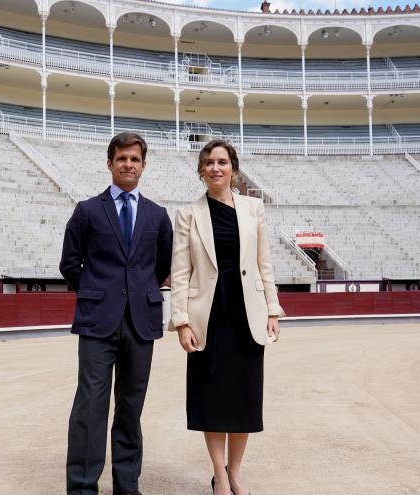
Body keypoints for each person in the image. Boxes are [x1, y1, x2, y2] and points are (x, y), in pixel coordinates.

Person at [60, 132, 173, 495]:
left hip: (140, 320)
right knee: (90, 406)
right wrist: (98, 292)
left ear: (143, 166)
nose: (128, 164)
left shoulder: (158, 215)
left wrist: (136, 293)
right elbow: (70, 263)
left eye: (135, 159)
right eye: (122, 158)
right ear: (110, 163)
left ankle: (127, 486)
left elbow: (161, 266)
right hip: (97, 321)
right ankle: (82, 487)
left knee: (130, 406)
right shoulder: (87, 210)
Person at [168, 139, 283, 495]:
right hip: (209, 318)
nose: (215, 167)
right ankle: (219, 473)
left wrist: (273, 309)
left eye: (222, 161)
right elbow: (181, 271)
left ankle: (235, 472)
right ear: (201, 171)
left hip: (247, 314)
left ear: (233, 168)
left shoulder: (253, 208)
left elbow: (264, 263)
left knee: (244, 398)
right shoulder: (188, 214)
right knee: (213, 400)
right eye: (208, 162)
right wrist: (182, 321)